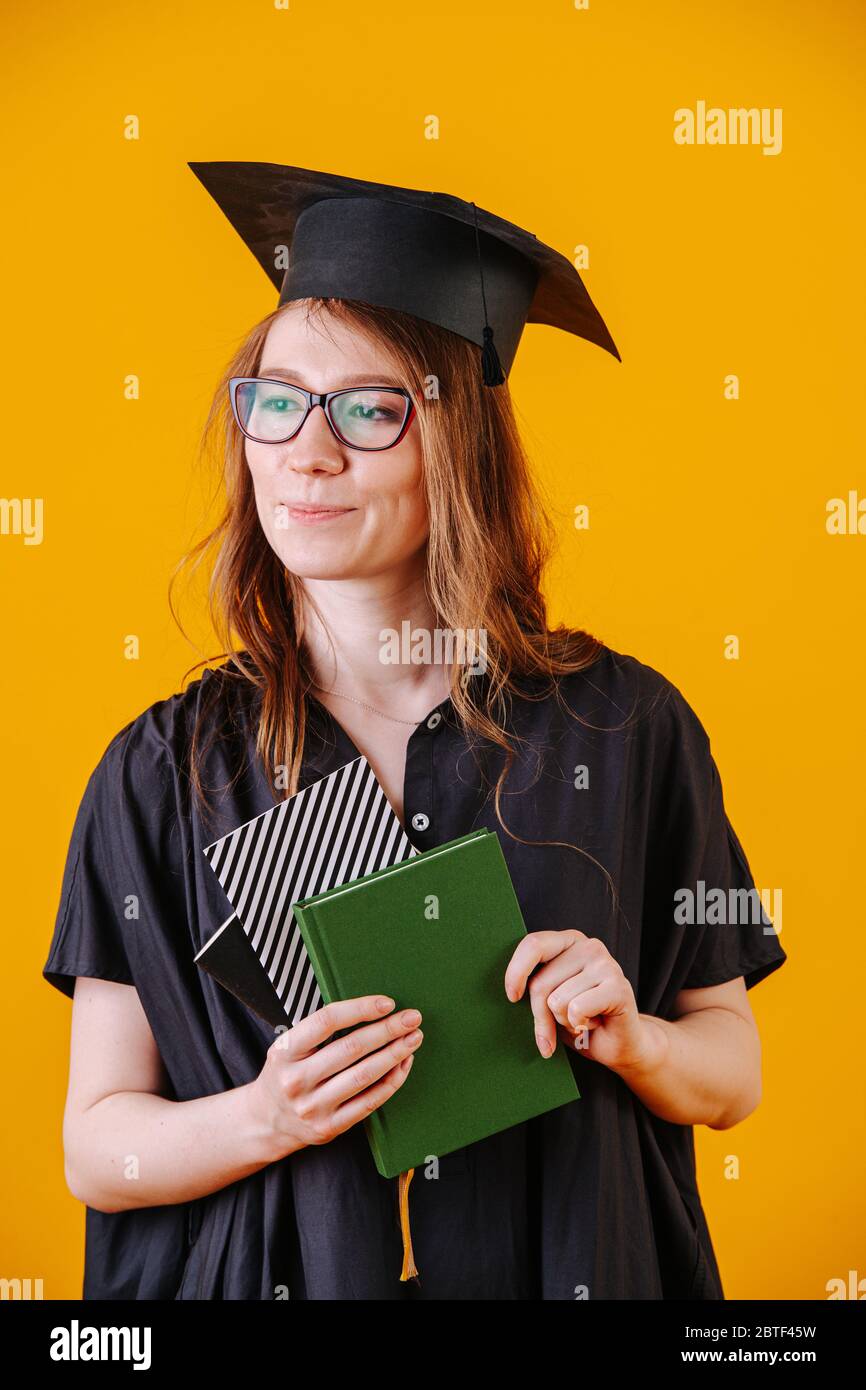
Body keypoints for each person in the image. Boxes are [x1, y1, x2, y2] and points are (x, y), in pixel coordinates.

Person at [44, 162, 786, 1300]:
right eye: (276, 397)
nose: (307, 449)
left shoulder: (628, 727)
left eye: (369, 407)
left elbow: (728, 1071)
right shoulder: (163, 769)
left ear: (461, 443)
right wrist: (269, 1113)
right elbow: (98, 1146)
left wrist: (632, 1037)